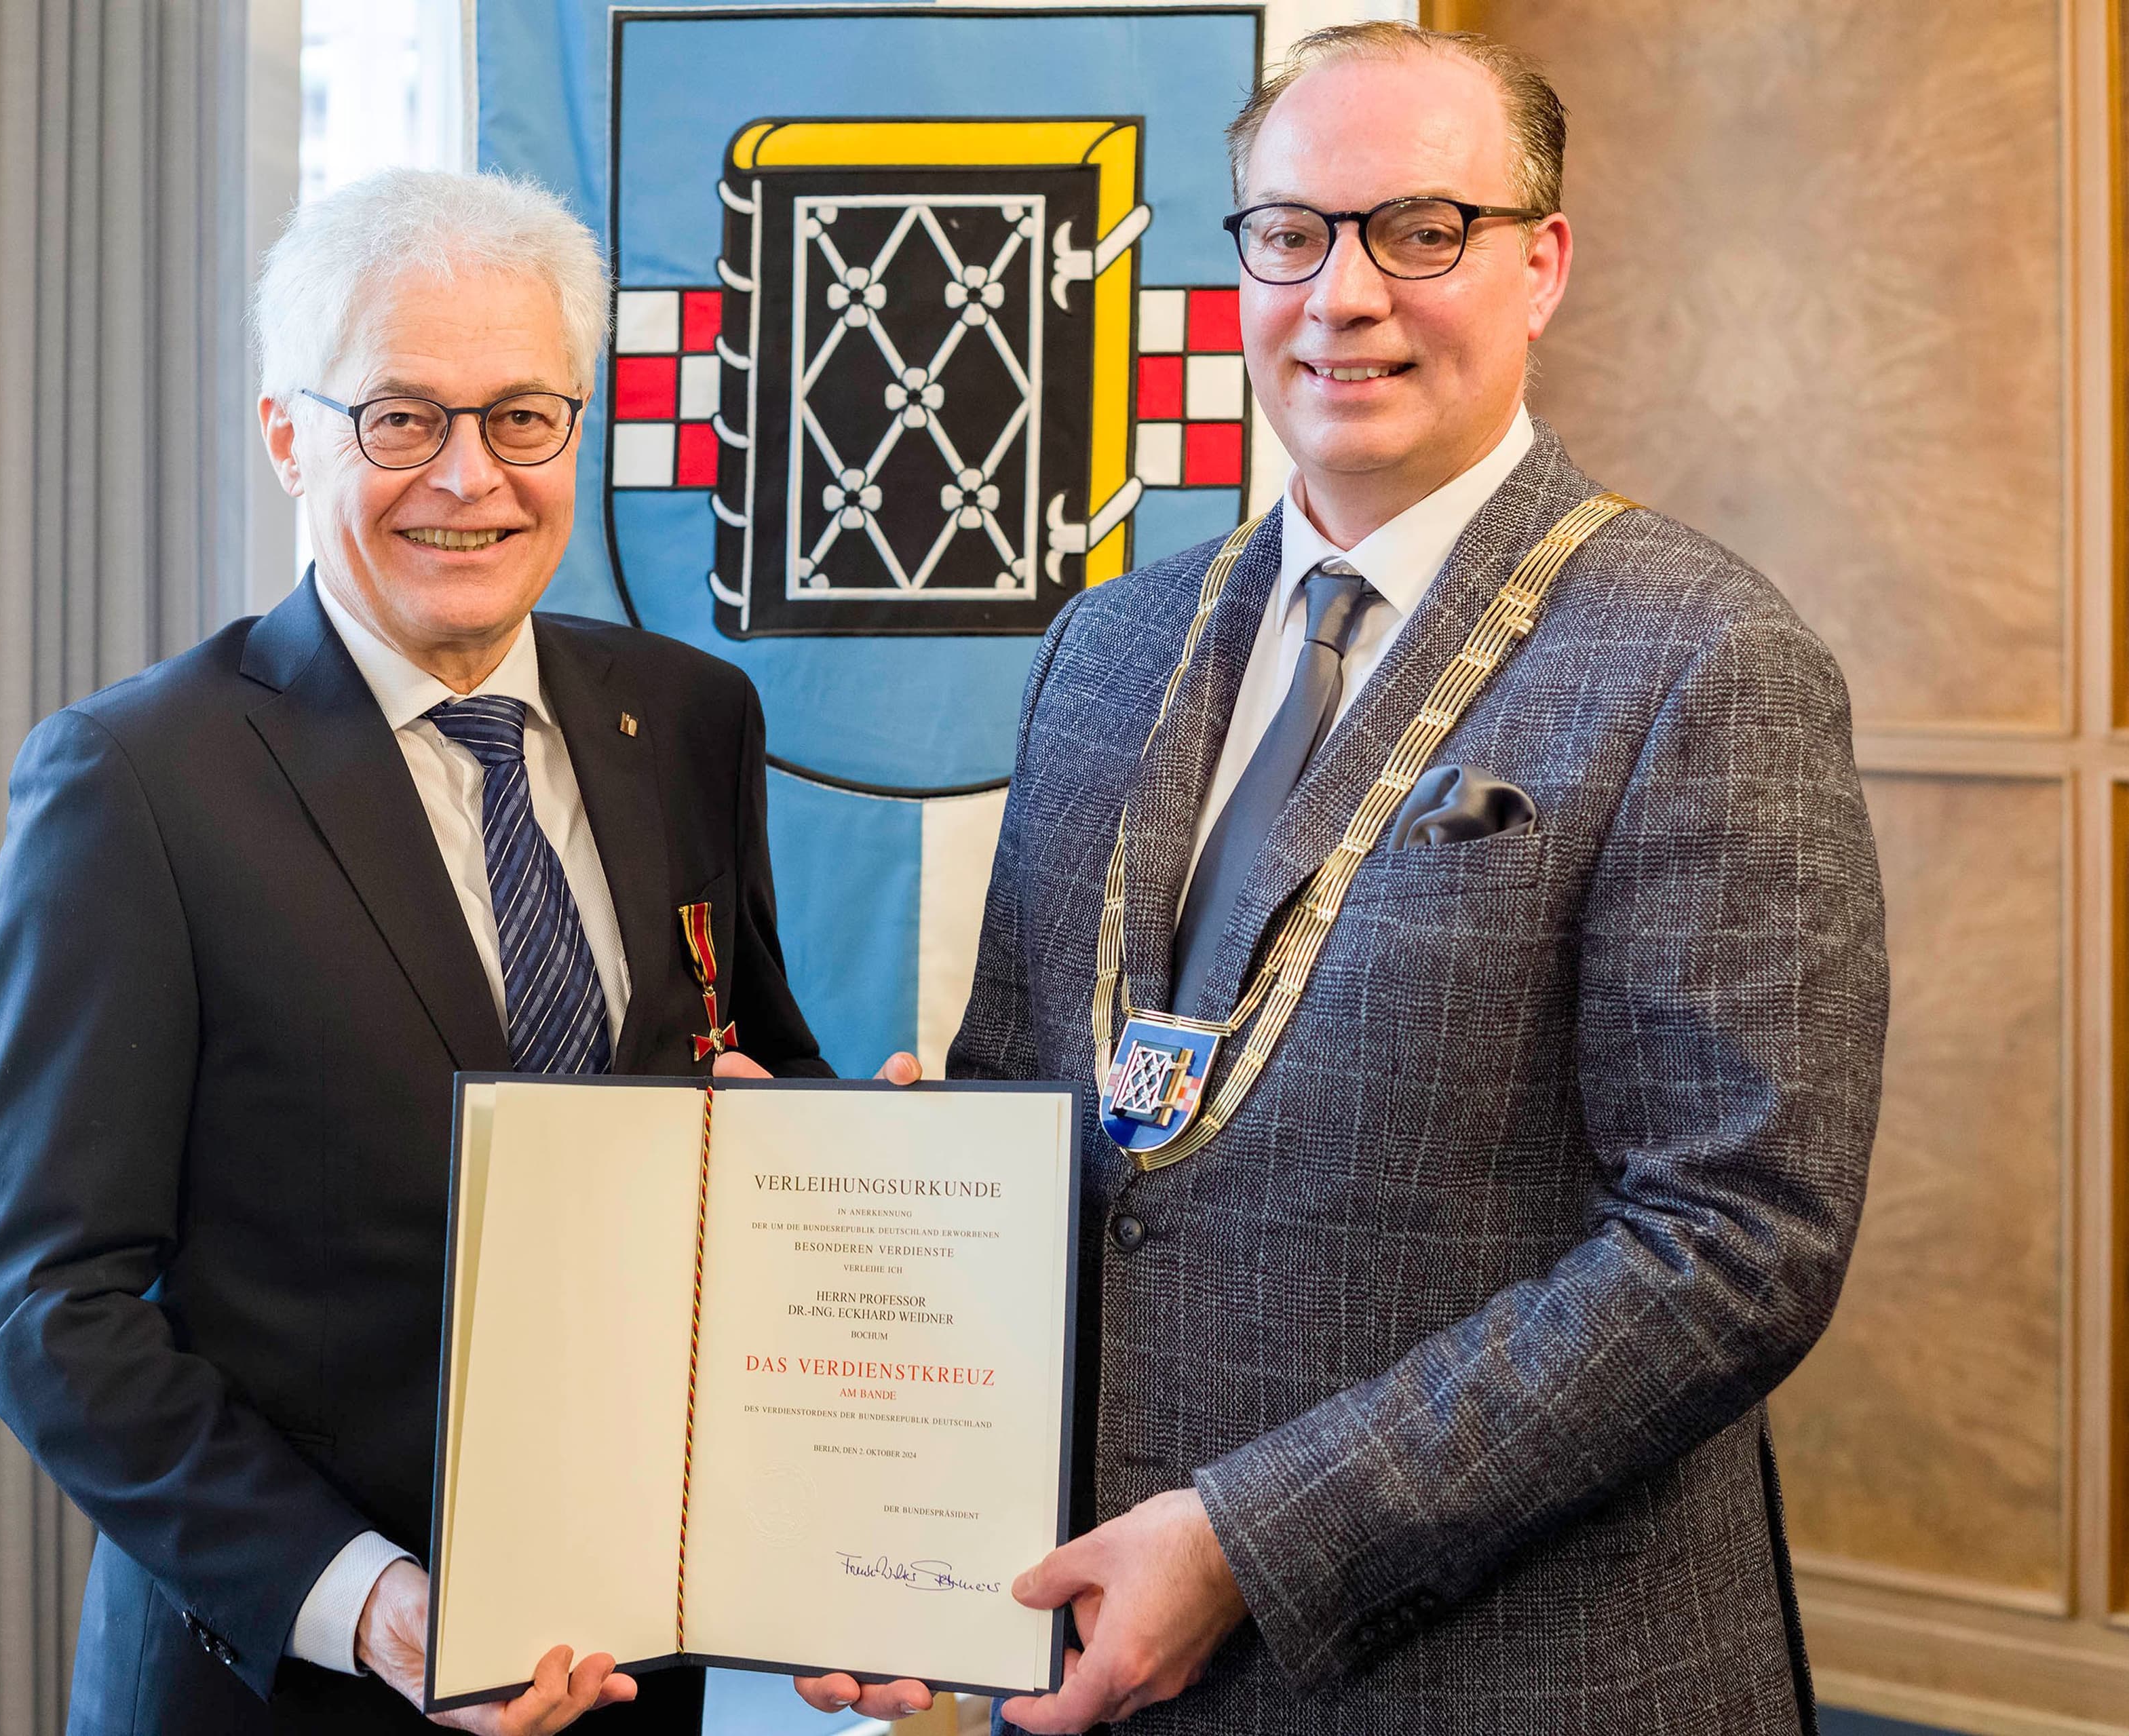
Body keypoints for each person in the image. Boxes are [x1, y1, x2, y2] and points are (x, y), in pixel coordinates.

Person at [796, 22, 1889, 1735]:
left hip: (1514, 1677)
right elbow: (1039, 1100)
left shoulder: (1706, 658)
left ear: (1543, 264)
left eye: (1422, 229)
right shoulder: (1110, 645)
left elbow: (1735, 1239)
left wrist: (1250, 1538)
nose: (1346, 292)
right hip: (1112, 1669)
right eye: (1293, 232)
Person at [0, 168, 835, 1736]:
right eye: (402, 418)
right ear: (290, 434)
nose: (473, 479)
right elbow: (44, 1301)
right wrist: (370, 1599)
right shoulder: (136, 781)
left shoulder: (689, 719)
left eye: (523, 417)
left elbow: (753, 1070)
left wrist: (857, 1173)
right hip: (296, 1680)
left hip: (637, 1665)